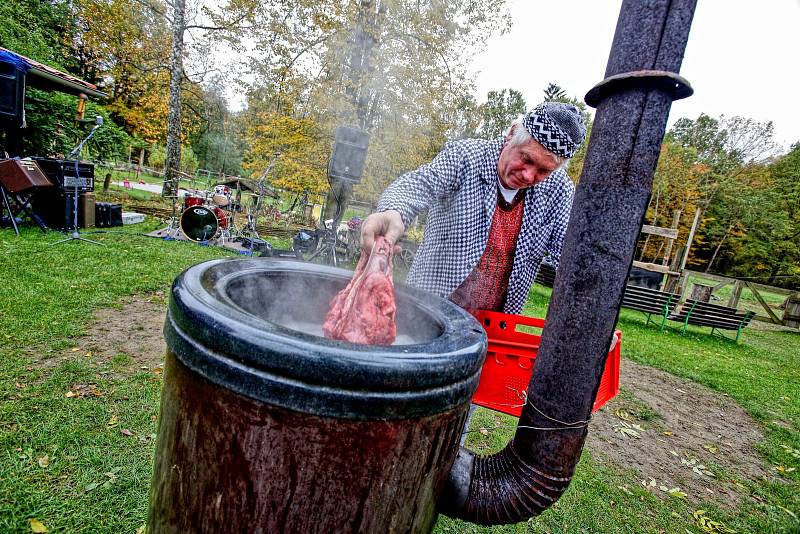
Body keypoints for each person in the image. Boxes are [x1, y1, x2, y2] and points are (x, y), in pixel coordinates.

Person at [360, 101, 586, 315]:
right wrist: (392, 212)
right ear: (511, 134)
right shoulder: (466, 156)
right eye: (526, 158)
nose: (528, 175)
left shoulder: (560, 190)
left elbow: (568, 254)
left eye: (543, 171)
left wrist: (587, 315)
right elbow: (419, 184)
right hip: (429, 307)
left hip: (496, 325)